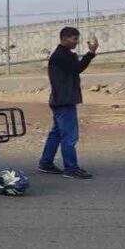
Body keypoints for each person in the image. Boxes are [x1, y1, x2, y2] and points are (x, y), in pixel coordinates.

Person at [38, 27, 98, 179]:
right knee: (70, 136)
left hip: (60, 100)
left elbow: (75, 69)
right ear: (64, 38)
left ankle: (46, 163)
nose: (76, 42)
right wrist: (91, 53)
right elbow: (77, 68)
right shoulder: (61, 56)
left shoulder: (63, 55)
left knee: (57, 134)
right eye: (74, 39)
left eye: (77, 38)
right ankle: (70, 168)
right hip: (64, 101)